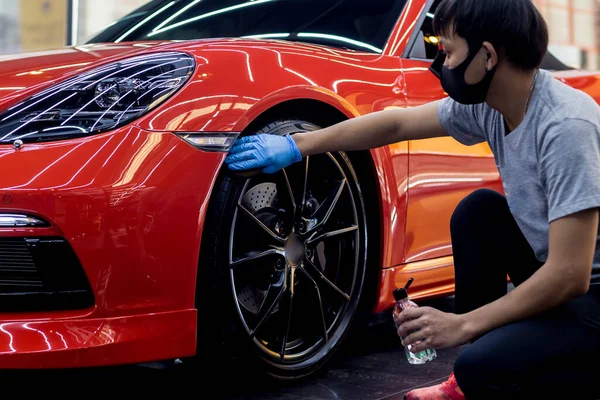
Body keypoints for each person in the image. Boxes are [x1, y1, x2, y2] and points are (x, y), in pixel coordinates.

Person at [224, 0, 600, 398]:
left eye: (450, 52)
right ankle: (490, 365)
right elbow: (397, 123)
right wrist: (297, 146)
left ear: (487, 56)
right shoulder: (494, 107)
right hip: (556, 282)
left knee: (482, 371)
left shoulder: (565, 127)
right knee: (478, 212)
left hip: (588, 296)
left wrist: (463, 323)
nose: (442, 64)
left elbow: (568, 276)